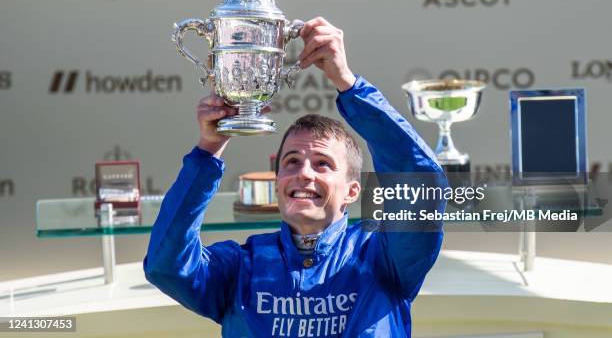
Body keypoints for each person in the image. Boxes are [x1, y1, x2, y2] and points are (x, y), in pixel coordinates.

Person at [144, 17, 446, 337]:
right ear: (278, 184)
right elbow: (167, 266)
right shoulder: (242, 266)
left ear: (352, 191)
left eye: (322, 164)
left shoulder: (385, 257)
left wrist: (348, 83)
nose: (303, 173)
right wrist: (208, 151)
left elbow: (420, 183)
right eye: (291, 162)